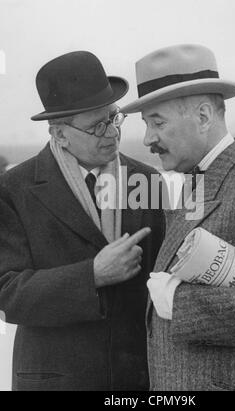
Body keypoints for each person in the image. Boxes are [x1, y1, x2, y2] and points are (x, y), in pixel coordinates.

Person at [122, 44, 235, 391]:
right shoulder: (197, 184)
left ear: (203, 117)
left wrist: (178, 302)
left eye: (157, 122)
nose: (148, 139)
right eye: (146, 124)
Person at [0, 51, 165, 391]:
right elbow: (6, 293)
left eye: (114, 118)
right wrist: (90, 276)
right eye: (96, 126)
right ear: (59, 134)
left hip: (136, 381)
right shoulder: (12, 189)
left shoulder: (148, 181)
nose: (111, 133)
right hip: (53, 381)